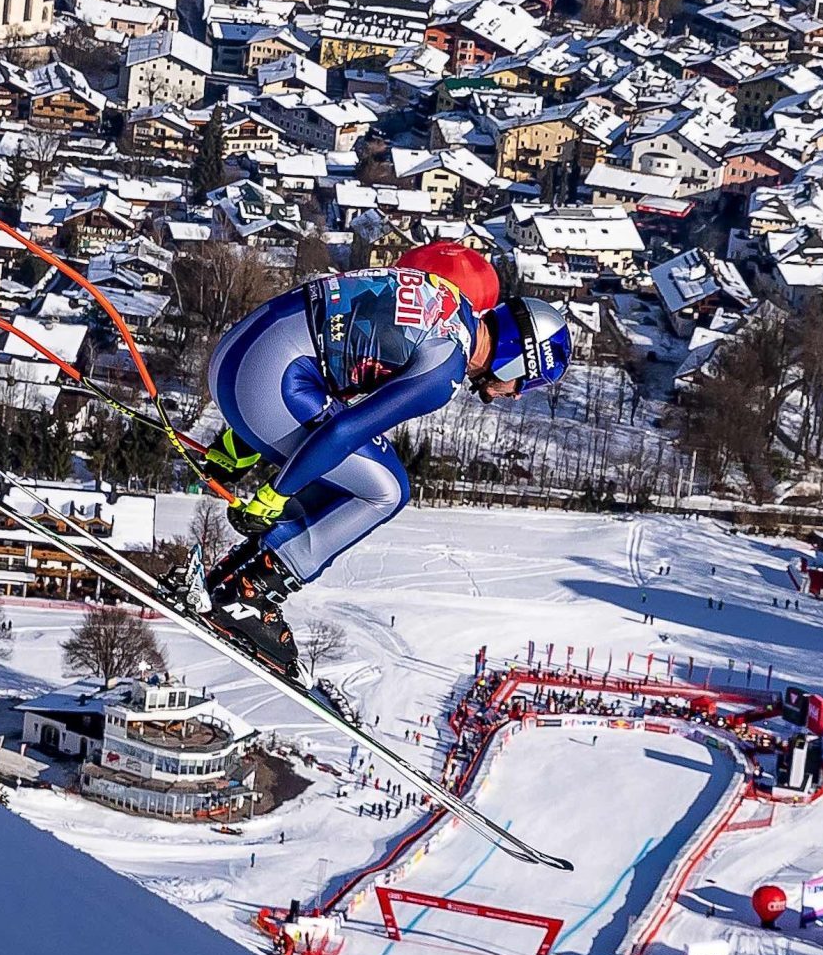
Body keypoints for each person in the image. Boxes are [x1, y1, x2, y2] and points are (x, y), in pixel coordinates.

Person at [200, 253, 570, 674]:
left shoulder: (449, 303)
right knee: (386, 489)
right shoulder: (445, 366)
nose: (519, 393)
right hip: (265, 383)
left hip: (239, 358)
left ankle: (243, 574)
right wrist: (274, 494)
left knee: (348, 476)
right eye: (530, 379)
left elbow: (331, 345)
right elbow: (345, 431)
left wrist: (237, 445)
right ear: (517, 356)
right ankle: (252, 595)